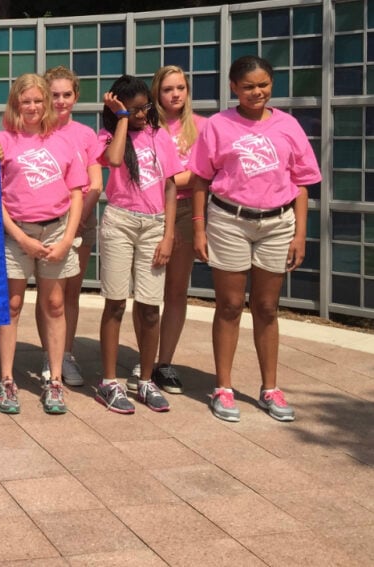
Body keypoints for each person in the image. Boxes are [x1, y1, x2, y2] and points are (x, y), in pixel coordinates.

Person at [190, 56, 321, 422]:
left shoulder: (288, 126)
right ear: (234, 87)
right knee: (230, 306)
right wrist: (199, 228)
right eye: (248, 86)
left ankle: (270, 388)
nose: (256, 92)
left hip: (277, 224)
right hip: (229, 221)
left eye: (262, 84)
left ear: (271, 84)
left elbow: (302, 183)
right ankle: (224, 388)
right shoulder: (218, 125)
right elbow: (201, 178)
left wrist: (300, 233)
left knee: (266, 308)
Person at [0, 74, 86, 415]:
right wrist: (20, 237)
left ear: (46, 103)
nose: (32, 107)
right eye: (25, 101)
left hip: (56, 231)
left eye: (37, 101)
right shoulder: (2, 141)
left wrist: (66, 240)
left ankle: (55, 379)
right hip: (16, 231)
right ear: (16, 104)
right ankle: (6, 378)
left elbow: (77, 192)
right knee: (13, 304)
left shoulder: (62, 141)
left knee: (56, 304)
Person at [96, 75, 182, 414]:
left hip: (155, 225)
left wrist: (169, 235)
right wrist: (119, 120)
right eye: (134, 109)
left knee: (149, 307)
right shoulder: (107, 135)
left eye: (145, 106)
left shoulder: (160, 136)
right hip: (120, 222)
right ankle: (108, 382)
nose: (143, 114)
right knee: (115, 303)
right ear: (119, 108)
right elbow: (114, 160)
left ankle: (145, 380)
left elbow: (171, 186)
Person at [128, 65, 208, 394]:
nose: (175, 94)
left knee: (175, 290)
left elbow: (204, 172)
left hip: (185, 210)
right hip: (149, 211)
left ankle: (165, 362)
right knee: (147, 293)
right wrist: (173, 176)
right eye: (167, 89)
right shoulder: (145, 126)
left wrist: (169, 177)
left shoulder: (201, 126)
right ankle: (144, 355)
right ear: (156, 93)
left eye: (181, 88)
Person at [41, 66, 104, 388]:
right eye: (54, 95)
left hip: (81, 220)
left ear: (76, 97)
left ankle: (66, 354)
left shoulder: (86, 134)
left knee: (71, 294)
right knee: (49, 293)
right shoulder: (36, 130)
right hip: (45, 220)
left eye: (67, 95)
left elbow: (95, 182)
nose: (61, 101)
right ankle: (48, 354)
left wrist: (78, 220)